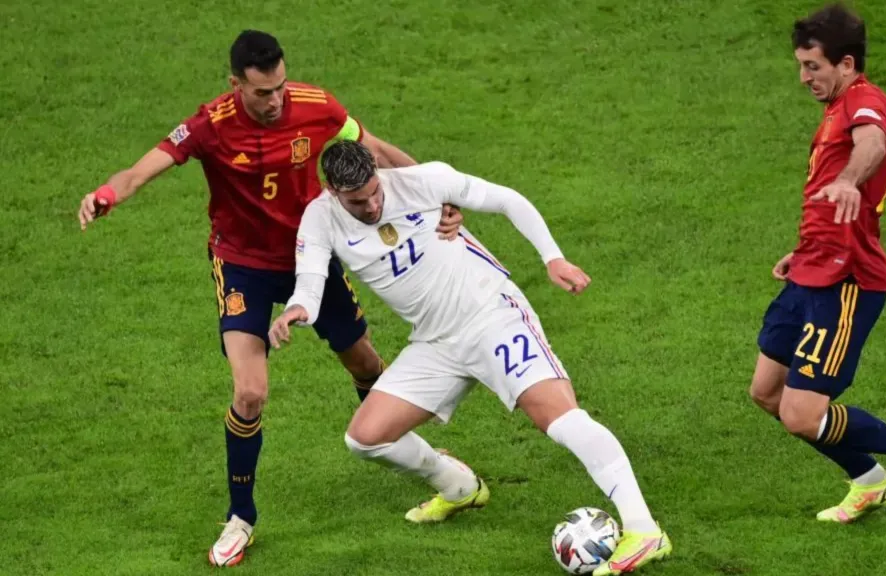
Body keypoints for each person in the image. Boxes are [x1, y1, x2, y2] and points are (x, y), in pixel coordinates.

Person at [76, 30, 464, 566]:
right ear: (236, 84)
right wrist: (106, 195)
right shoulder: (209, 126)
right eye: (262, 92)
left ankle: (415, 454)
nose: (276, 100)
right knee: (250, 392)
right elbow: (143, 169)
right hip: (242, 267)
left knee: (366, 361)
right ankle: (241, 518)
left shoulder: (316, 105)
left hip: (312, 254)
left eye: (280, 87)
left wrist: (438, 190)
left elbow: (372, 148)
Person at [268, 140, 672, 575]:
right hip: (434, 343)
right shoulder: (319, 218)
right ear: (332, 190)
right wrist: (297, 310)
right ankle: (458, 486)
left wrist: (552, 258)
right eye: (357, 201)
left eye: (374, 193)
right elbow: (310, 282)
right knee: (366, 438)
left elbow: (506, 199)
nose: (371, 206)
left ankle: (643, 529)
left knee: (558, 418)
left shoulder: (422, 181)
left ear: (377, 175)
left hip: (490, 314)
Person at [748, 3, 886, 524]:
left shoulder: (866, 104)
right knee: (767, 393)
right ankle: (871, 483)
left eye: (813, 67)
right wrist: (803, 250)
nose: (804, 77)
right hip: (811, 270)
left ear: (846, 64)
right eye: (801, 66)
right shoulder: (835, 110)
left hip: (847, 282)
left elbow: (873, 144)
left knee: (803, 414)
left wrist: (848, 180)